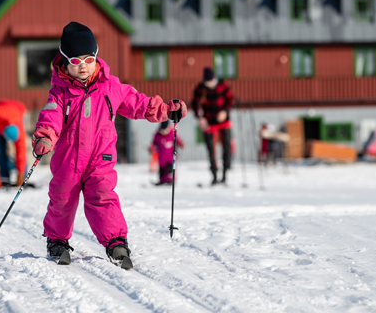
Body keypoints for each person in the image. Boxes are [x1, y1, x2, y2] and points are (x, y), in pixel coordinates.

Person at [31, 21, 187, 262]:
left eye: (88, 60)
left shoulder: (110, 87)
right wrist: (44, 138)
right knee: (62, 197)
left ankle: (115, 241)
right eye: (75, 61)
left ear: (96, 57)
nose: (83, 67)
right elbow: (50, 118)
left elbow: (140, 104)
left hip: (100, 157)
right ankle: (57, 240)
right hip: (68, 159)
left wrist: (167, 110)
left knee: (103, 195)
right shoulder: (59, 92)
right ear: (64, 62)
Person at [191, 67, 235, 185]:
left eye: (211, 82)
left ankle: (225, 175)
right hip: (209, 123)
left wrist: (225, 111)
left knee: (226, 147)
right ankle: (214, 175)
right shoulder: (200, 89)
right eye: (207, 83)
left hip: (223, 121)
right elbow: (195, 104)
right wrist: (200, 118)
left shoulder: (222, 85)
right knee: (211, 149)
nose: (210, 85)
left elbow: (230, 100)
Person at [150, 120, 184, 186]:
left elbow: (177, 141)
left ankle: (170, 180)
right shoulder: (157, 134)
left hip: (171, 155)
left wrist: (181, 144)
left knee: (170, 168)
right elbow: (154, 143)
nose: (164, 133)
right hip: (162, 156)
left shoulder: (173, 133)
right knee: (162, 168)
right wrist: (151, 148)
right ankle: (162, 180)